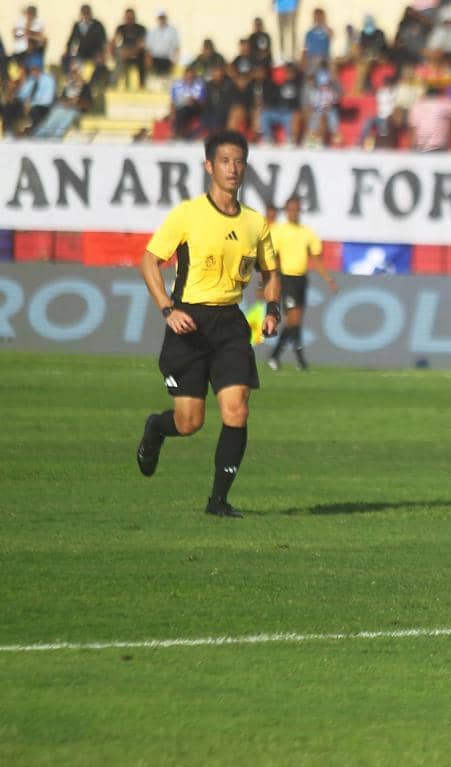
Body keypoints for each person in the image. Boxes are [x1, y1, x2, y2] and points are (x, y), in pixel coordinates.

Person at [135, 130, 282, 519]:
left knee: (237, 410)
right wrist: (167, 308)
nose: (232, 168)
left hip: (230, 324)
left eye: (238, 161)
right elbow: (149, 261)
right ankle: (155, 428)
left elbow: (271, 270)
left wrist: (273, 309)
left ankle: (218, 501)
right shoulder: (188, 214)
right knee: (189, 422)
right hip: (189, 323)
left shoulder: (255, 222)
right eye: (224, 161)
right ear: (208, 166)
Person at [268, 195, 336, 371]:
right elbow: (272, 257)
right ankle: (280, 356)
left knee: (296, 322)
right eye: (290, 209)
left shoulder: (307, 232)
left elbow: (316, 258)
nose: (293, 212)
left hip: (301, 279)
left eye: (296, 209)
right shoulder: (279, 230)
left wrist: (328, 279)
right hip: (287, 278)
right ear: (286, 210)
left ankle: (293, 358)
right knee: (294, 319)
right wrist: (270, 279)